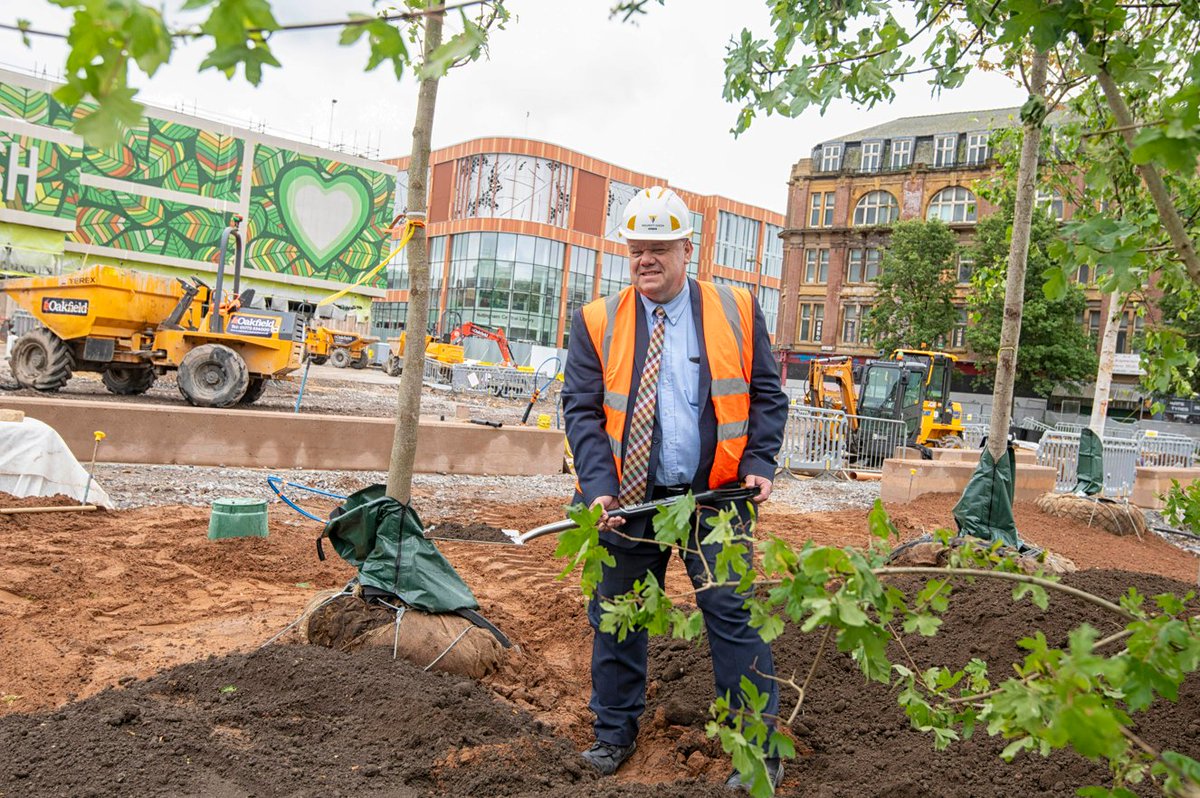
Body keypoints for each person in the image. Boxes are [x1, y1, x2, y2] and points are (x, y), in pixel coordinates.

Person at [562, 186, 789, 791]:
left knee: (732, 613)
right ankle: (613, 735)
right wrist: (598, 488)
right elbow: (582, 411)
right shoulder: (596, 321)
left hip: (715, 499)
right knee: (618, 617)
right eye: (637, 250)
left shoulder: (736, 309)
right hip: (630, 500)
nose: (646, 261)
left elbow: (768, 394)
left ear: (688, 249)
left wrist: (762, 459)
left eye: (659, 248)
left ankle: (757, 749)